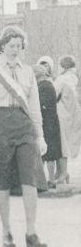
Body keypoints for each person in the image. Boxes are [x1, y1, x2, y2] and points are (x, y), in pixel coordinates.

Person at [0, 27, 47, 247]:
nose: (15, 50)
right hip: (0, 124)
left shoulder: (27, 72)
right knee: (3, 181)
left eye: (19, 46)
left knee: (30, 178)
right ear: (2, 46)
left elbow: (34, 106)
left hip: (23, 125)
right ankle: (6, 230)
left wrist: (41, 136)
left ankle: (31, 231)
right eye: (11, 46)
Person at [54, 55, 81, 183]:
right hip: (73, 114)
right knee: (67, 143)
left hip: (61, 114)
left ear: (63, 67)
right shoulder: (75, 79)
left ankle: (62, 173)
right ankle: (62, 173)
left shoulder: (61, 80)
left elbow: (53, 94)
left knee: (61, 144)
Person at [35, 63, 62, 188]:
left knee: (49, 152)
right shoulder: (48, 85)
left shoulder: (44, 86)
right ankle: (46, 179)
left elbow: (41, 104)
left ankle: (50, 180)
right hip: (50, 121)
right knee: (48, 152)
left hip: (47, 122)